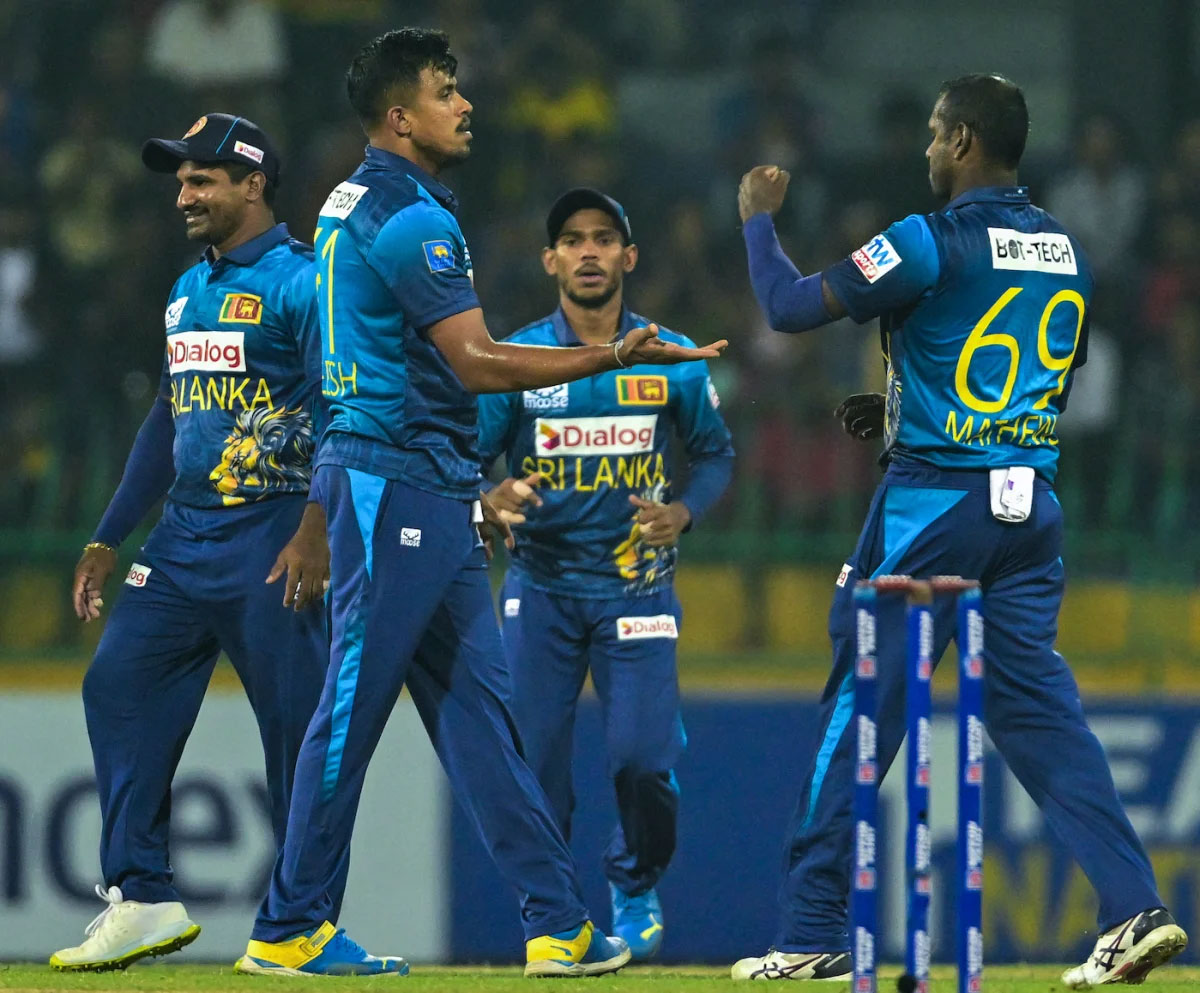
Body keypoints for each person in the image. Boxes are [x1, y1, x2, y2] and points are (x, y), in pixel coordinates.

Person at [237, 29, 725, 979]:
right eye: (445, 91)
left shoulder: (351, 200)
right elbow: (476, 362)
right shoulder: (411, 217)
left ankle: (558, 921)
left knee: (481, 720)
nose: (465, 105)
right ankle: (291, 920)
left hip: (427, 480)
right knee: (351, 703)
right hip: (397, 480)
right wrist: (608, 353)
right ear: (399, 117)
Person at [729, 74, 1188, 986]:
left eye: (939, 134)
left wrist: (756, 222)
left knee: (861, 705)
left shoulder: (926, 238)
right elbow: (1039, 379)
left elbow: (788, 307)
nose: (929, 149)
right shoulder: (1065, 249)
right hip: (1031, 510)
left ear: (967, 141)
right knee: (1037, 714)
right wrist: (908, 410)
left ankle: (811, 927)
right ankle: (1134, 906)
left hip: (936, 505)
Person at [53, 114, 343, 971]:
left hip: (274, 528)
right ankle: (141, 895)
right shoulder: (187, 288)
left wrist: (317, 527)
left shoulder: (304, 283)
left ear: (254, 183)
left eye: (202, 179)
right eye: (180, 181)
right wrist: (109, 533)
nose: (183, 194)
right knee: (117, 684)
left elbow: (343, 410)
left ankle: (303, 923)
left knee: (296, 731)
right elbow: (166, 416)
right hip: (182, 535)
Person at [477, 188, 735, 960]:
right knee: (533, 767)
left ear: (629, 256)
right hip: (540, 588)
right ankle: (556, 914)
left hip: (638, 589)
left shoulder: (669, 356)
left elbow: (715, 455)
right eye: (571, 239)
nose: (587, 251)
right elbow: (466, 457)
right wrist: (489, 496)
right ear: (549, 260)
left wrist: (683, 512)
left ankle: (635, 878)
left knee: (642, 759)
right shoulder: (520, 358)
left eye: (602, 238)